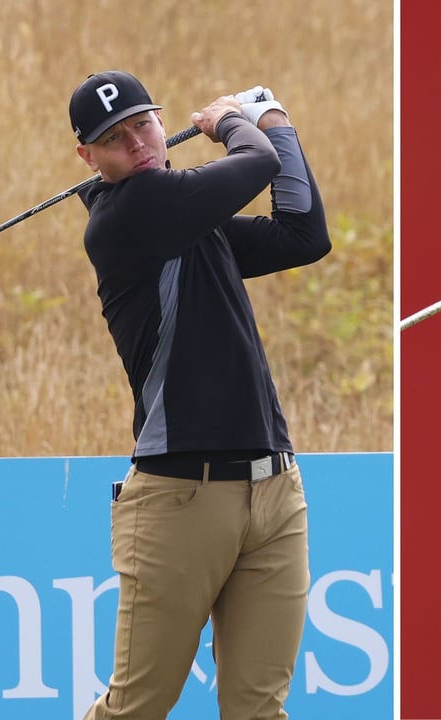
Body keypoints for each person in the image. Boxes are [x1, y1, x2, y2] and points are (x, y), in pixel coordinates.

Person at [68, 70, 331, 719]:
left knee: (258, 710)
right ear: (88, 157)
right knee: (136, 710)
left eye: (142, 124)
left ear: (160, 121)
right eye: (114, 138)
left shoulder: (189, 222)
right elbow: (257, 164)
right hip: (178, 500)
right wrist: (240, 119)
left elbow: (304, 234)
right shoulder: (129, 216)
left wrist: (277, 126)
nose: (136, 143)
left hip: (275, 494)